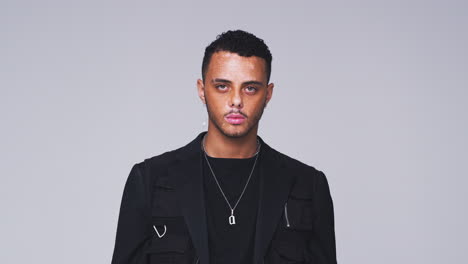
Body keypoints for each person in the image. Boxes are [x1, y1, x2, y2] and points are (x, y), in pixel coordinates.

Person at [111, 29, 337, 264]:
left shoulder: (308, 185)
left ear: (268, 94)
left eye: (250, 88)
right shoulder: (150, 180)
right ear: (202, 90)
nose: (236, 100)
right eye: (222, 86)